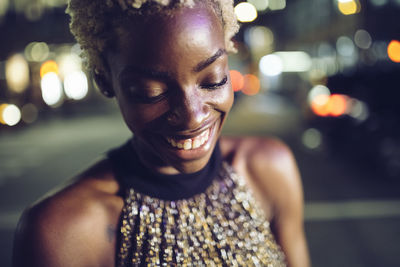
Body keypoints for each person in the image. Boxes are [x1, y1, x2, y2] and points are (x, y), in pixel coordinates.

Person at [12, 0, 310, 266]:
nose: (192, 116)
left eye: (213, 81)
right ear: (105, 81)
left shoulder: (269, 170)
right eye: (150, 92)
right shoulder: (62, 231)